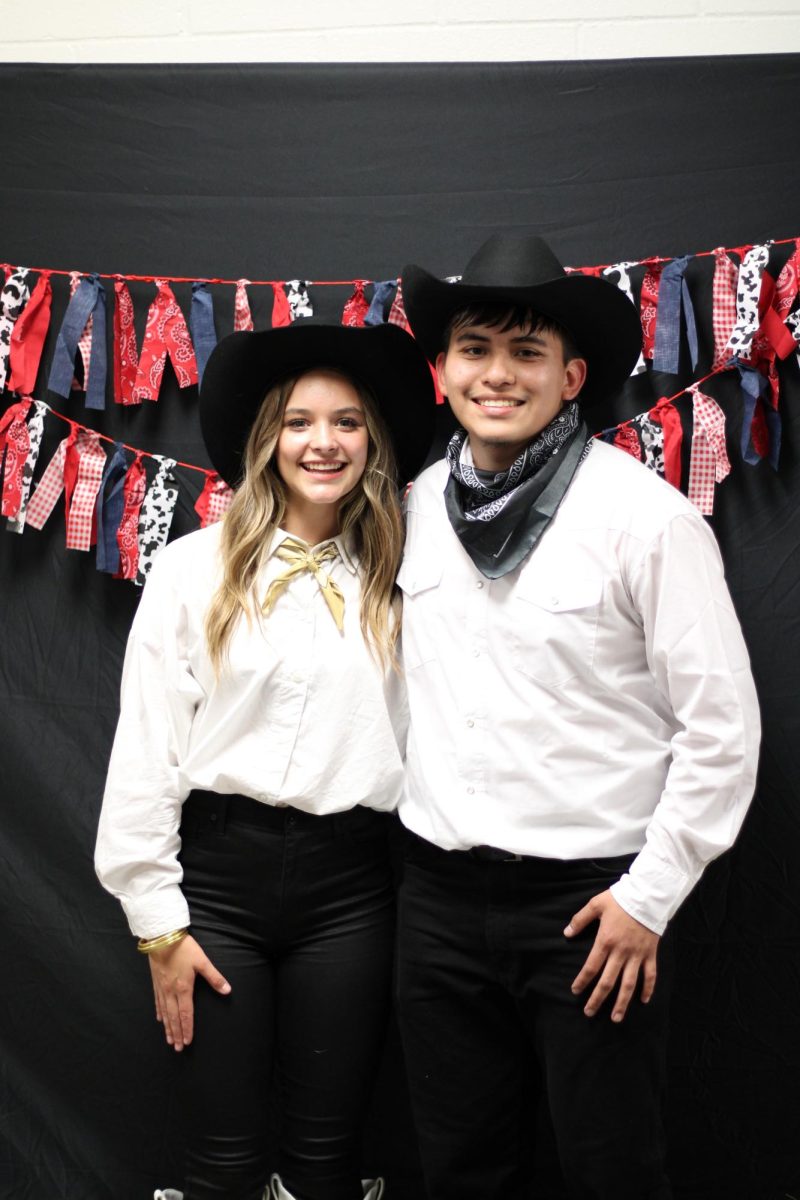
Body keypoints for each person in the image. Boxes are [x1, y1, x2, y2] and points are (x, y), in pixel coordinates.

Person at [393, 233, 760, 1200]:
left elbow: (722, 729)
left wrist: (649, 897)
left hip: (593, 906)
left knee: (610, 1169)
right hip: (433, 900)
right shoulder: (416, 507)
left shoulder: (648, 520)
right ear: (440, 372)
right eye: (475, 349)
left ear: (572, 376)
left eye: (527, 353)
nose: (498, 375)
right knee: (461, 1168)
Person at [95, 320, 435, 1200]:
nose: (324, 442)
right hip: (216, 885)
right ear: (266, 439)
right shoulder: (189, 572)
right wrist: (158, 922)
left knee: (328, 1159)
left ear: (376, 441)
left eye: (348, 422)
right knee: (223, 1159)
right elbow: (147, 749)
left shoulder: (412, 579)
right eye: (298, 421)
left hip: (352, 889)